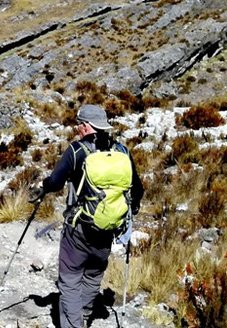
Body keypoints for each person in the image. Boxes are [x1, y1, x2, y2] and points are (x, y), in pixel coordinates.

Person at [32, 104, 144, 328]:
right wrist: (128, 212)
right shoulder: (121, 151)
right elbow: (138, 189)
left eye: (78, 125)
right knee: (93, 274)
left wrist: (42, 187)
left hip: (79, 227)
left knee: (71, 278)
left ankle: (74, 324)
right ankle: (83, 315)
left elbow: (54, 182)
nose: (76, 129)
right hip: (109, 227)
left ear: (86, 126)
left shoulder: (77, 150)